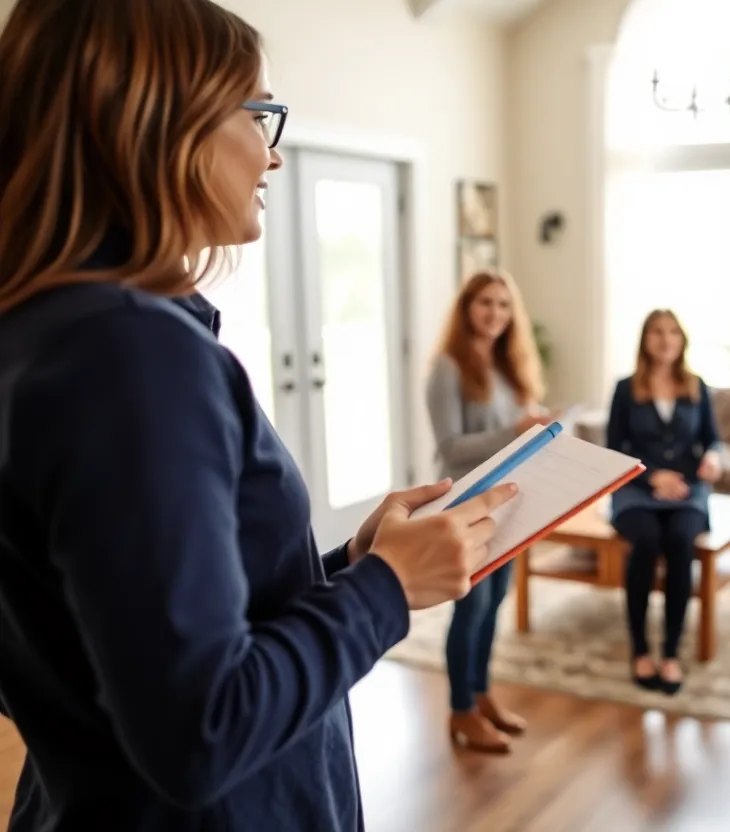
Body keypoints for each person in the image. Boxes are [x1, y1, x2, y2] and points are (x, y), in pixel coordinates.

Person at [0, 2, 517, 830]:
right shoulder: (129, 356)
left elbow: (127, 630)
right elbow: (199, 731)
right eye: (260, 115)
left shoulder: (45, 332)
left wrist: (353, 561)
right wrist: (386, 590)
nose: (273, 156)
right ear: (159, 122)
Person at [425, 270, 550, 753]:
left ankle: (480, 696)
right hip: (466, 505)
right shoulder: (447, 368)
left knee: (496, 601)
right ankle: (460, 711)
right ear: (466, 308)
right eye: (485, 303)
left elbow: (516, 435)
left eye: (503, 304)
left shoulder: (508, 366)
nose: (495, 313)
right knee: (471, 606)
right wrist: (516, 430)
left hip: (509, 502)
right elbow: (451, 448)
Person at [605, 310, 724, 695]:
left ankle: (670, 652)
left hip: (687, 490)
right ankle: (640, 649)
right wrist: (652, 475)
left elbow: (713, 439)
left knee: (679, 544)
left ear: (682, 340)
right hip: (637, 489)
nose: (665, 339)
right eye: (657, 332)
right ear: (645, 339)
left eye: (673, 332)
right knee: (646, 543)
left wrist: (714, 458)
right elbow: (614, 449)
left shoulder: (696, 386)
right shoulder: (626, 388)